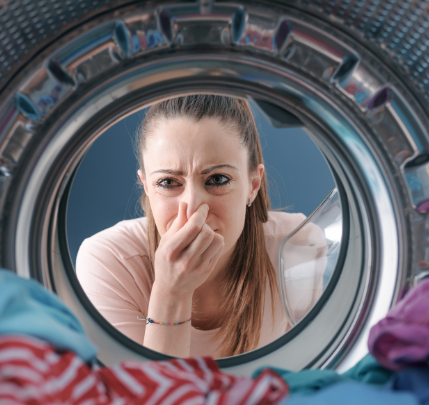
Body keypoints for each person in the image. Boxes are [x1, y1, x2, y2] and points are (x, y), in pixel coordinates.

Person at [76, 94, 323, 358]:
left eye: (217, 179)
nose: (193, 207)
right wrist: (171, 294)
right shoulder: (108, 262)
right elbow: (149, 397)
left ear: (253, 185)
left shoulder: (298, 244)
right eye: (169, 183)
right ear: (146, 186)